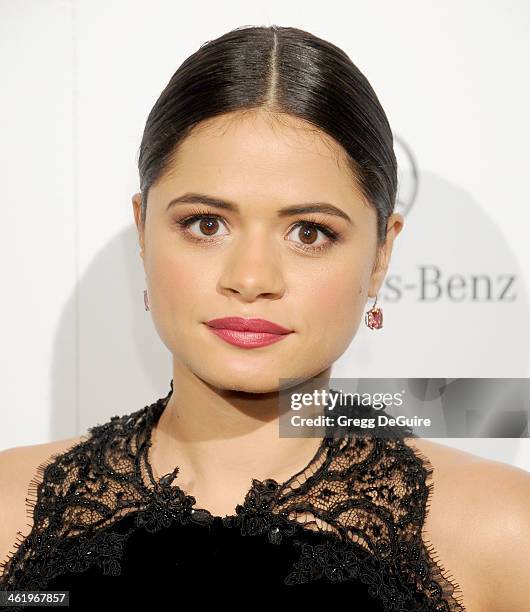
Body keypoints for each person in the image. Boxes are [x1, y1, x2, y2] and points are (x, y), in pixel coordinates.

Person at [1, 24, 529, 611]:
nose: (251, 279)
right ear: (143, 230)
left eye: (309, 233)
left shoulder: (504, 534)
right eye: (206, 224)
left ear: (381, 255)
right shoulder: (5, 512)